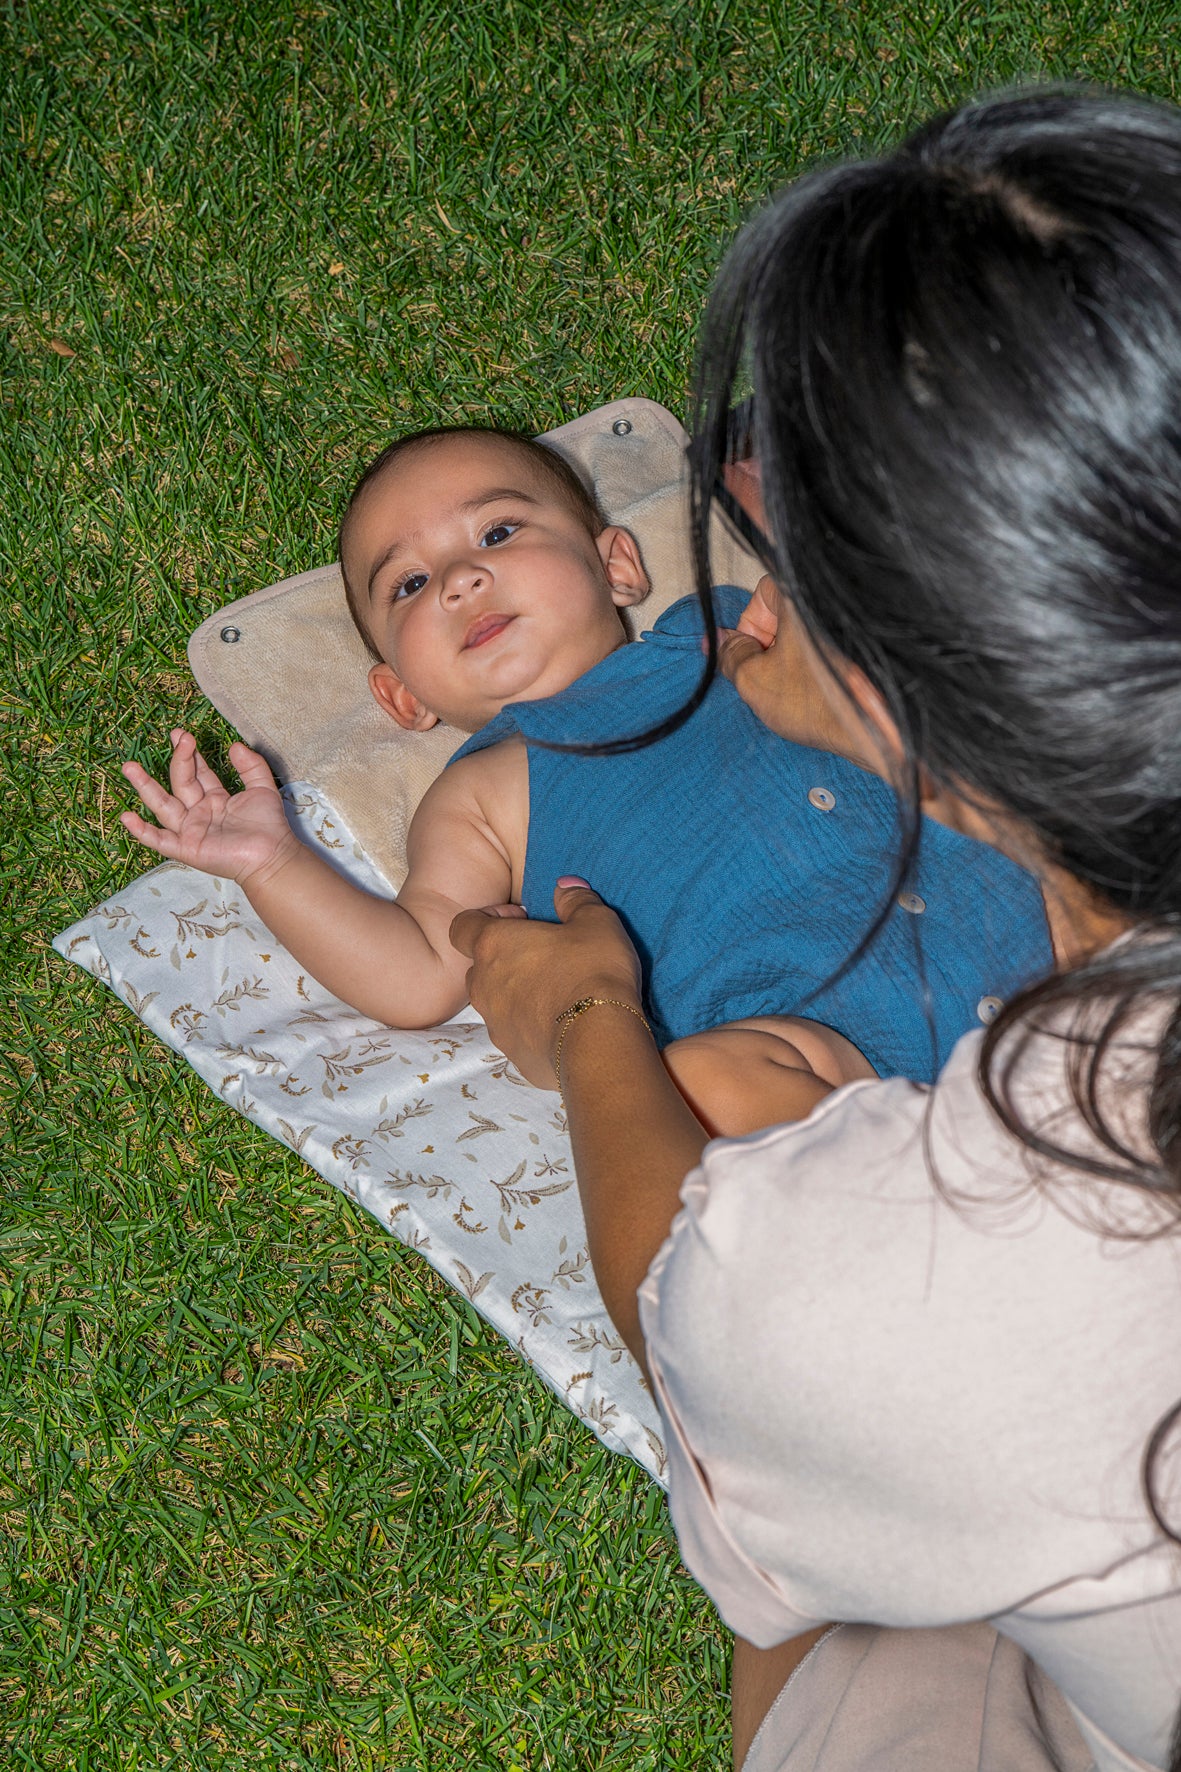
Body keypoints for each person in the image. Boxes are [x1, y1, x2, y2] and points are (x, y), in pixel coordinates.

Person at [451, 89, 1181, 1772]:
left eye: (788, 567)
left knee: (857, 1642)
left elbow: (697, 1313)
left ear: (939, 701)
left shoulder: (942, 1269)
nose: (745, 616)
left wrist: (586, 1024)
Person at [119, 425, 1052, 1130]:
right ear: (401, 698)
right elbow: (417, 976)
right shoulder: (484, 792)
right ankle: (909, 1210)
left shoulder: (718, 624)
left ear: (616, 564)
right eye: (407, 585)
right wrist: (272, 865)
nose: (459, 579)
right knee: (697, 1083)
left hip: (1035, 918)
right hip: (815, 1042)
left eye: (497, 529)